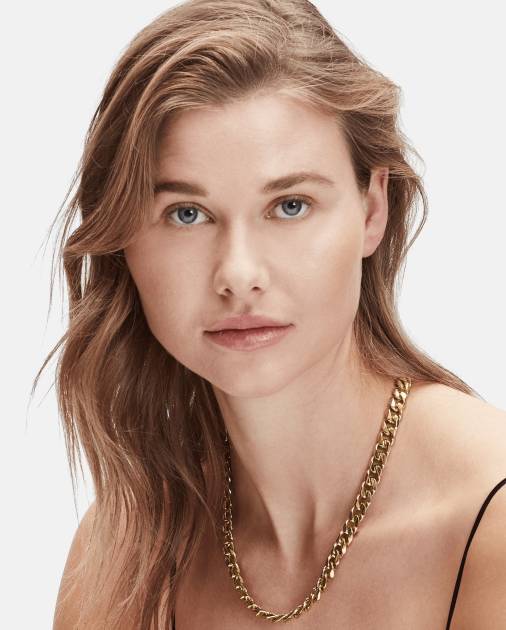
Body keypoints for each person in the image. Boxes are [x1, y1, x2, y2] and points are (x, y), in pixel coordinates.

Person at [36, 0, 506, 628]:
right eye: (186, 214)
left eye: (290, 206)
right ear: (123, 240)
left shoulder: (489, 519)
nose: (238, 274)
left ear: (373, 210)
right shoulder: (119, 553)